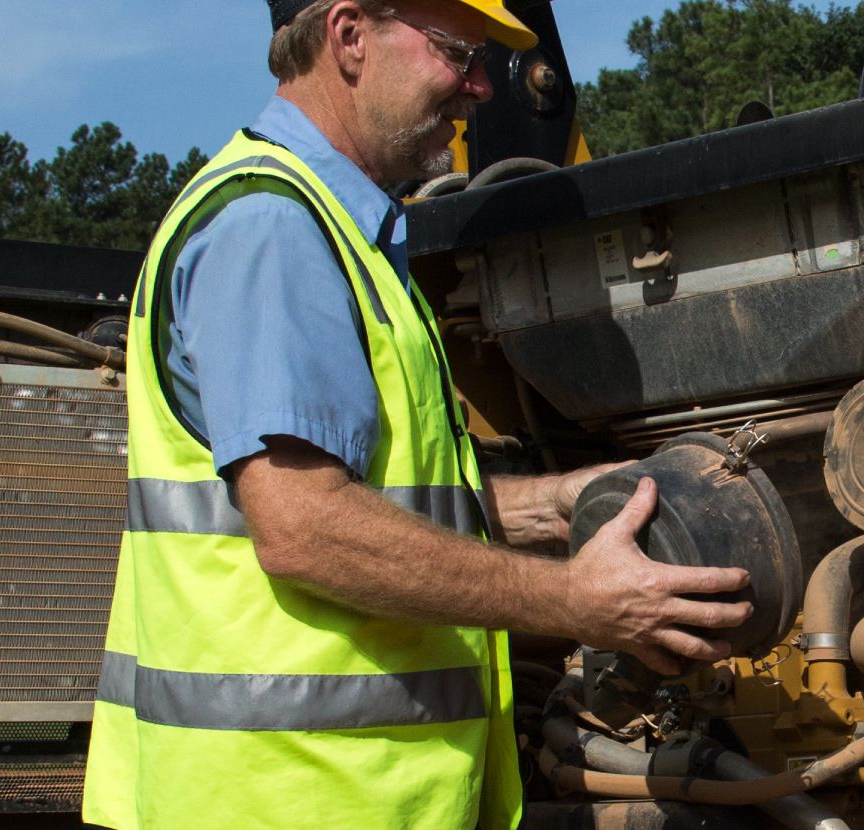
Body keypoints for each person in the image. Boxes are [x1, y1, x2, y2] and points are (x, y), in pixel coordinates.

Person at [82, 2, 754, 827]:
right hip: (293, 798)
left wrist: (561, 501)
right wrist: (577, 602)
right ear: (349, 36)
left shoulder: (347, 233)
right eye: (455, 53)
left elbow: (393, 503)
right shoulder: (273, 228)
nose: (479, 87)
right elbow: (304, 527)